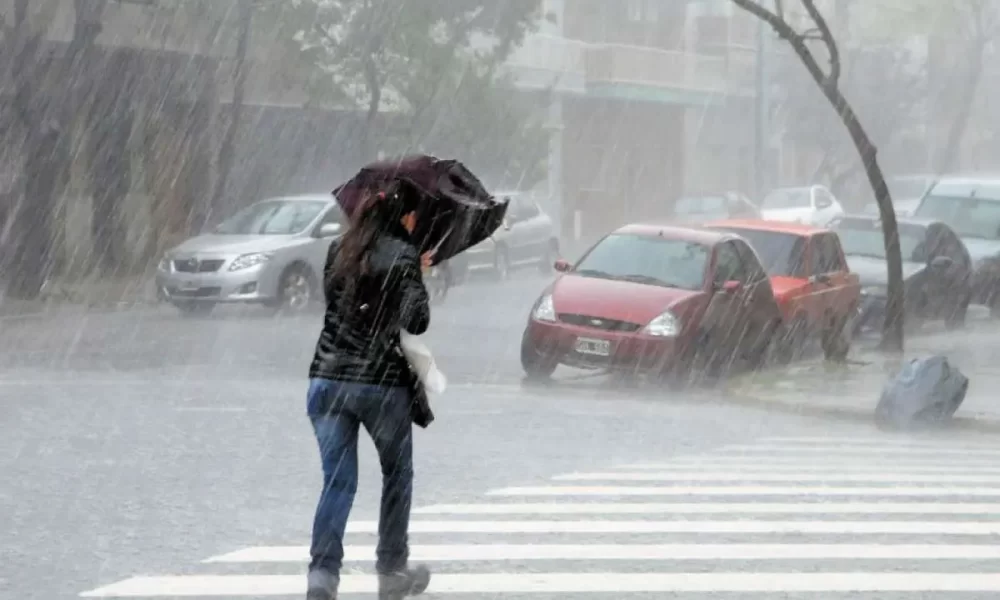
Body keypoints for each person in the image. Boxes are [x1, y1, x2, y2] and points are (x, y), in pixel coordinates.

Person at [306, 185, 433, 600]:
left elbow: (339, 303)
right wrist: (416, 275)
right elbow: (417, 321)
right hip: (379, 385)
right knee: (397, 474)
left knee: (337, 483)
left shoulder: (337, 249)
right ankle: (392, 569)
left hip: (327, 380)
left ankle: (322, 577)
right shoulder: (403, 253)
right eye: (413, 217)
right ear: (403, 217)